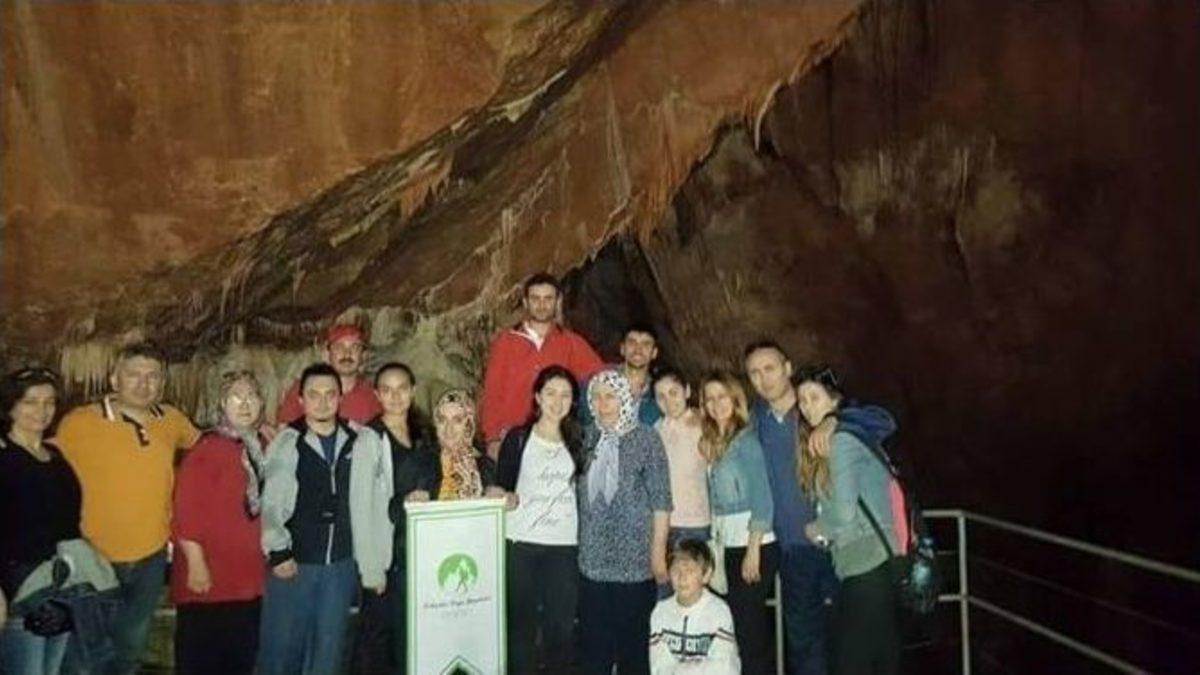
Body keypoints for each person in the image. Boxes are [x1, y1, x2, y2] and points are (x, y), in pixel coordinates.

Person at [743, 341, 894, 675]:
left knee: (849, 640)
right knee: (804, 644)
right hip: (794, 549)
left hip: (840, 544)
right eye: (754, 372)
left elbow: (883, 421)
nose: (763, 378)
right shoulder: (756, 420)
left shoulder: (813, 410)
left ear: (787, 368)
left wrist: (834, 419)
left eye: (769, 368)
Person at [56, 343, 200, 675]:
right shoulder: (80, 423)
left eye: (152, 376)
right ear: (114, 379)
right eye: (133, 375)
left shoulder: (171, 419)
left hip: (150, 556)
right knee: (84, 654)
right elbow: (45, 467)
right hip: (95, 556)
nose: (143, 384)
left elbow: (207, 448)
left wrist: (254, 435)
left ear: (162, 383)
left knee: (130, 648)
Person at [796, 367, 901, 675]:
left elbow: (843, 513)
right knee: (882, 655)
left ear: (834, 400)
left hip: (866, 559)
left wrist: (817, 530)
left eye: (814, 397)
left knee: (853, 660)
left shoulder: (841, 440)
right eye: (802, 400)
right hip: (875, 558)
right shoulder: (838, 437)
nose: (807, 406)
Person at [258, 364, 361, 675]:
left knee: (329, 649)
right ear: (301, 400)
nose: (323, 402)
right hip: (296, 562)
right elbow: (273, 500)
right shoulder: (289, 441)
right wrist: (279, 551)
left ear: (340, 398)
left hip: (340, 563)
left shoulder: (356, 439)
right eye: (314, 395)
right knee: (284, 648)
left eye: (330, 394)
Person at [170, 370, 268, 675]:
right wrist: (195, 561)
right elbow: (185, 508)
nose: (245, 403)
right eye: (236, 397)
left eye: (252, 396)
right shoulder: (207, 448)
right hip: (210, 575)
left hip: (246, 576)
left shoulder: (257, 447)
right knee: (203, 657)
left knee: (239, 658)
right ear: (222, 403)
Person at [577, 369, 672, 675]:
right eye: (596, 397)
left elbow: (661, 501)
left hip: (635, 561)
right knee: (594, 651)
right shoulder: (584, 438)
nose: (603, 403)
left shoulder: (646, 438)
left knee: (633, 651)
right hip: (593, 561)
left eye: (611, 396)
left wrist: (658, 553)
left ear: (625, 399)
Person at [350, 362, 438, 675]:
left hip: (422, 553)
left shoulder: (425, 434)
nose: (395, 396)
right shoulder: (370, 439)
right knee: (382, 644)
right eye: (387, 390)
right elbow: (360, 508)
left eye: (402, 389)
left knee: (415, 639)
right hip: (389, 557)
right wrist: (371, 570)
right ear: (377, 394)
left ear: (412, 391)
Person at [496, 366, 584, 674]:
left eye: (565, 395)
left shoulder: (580, 439)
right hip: (521, 543)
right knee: (520, 627)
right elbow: (501, 483)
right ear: (537, 396)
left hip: (564, 546)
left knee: (560, 628)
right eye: (550, 393)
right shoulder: (518, 438)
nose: (557, 402)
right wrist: (502, 495)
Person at [0, 368, 80, 675]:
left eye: (49, 402)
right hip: (18, 587)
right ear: (11, 406)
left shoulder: (56, 457)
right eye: (30, 402)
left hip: (60, 583)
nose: (41, 410)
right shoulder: (4, 459)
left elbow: (68, 524)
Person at [698, 372, 778, 675]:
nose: (716, 404)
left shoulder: (746, 442)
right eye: (709, 398)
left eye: (722, 396)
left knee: (749, 631)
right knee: (733, 629)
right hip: (726, 544)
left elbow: (762, 497)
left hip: (753, 543)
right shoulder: (713, 443)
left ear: (735, 399)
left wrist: (753, 550)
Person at [480, 273, 603, 456]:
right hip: (512, 436)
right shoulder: (506, 342)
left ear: (557, 302)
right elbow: (493, 390)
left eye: (548, 298)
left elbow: (600, 377)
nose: (541, 304)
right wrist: (492, 437)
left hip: (555, 438)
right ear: (526, 302)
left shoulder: (570, 342)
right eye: (535, 298)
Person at [649, 539, 740, 675]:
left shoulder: (719, 612)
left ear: (706, 575)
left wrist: (682, 671)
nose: (682, 577)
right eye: (676, 570)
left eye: (690, 570)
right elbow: (659, 666)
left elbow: (724, 666)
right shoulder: (660, 612)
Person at [276, 323, 382, 425]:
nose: (347, 353)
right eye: (339, 347)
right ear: (327, 354)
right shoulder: (304, 387)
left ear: (363, 355)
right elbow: (284, 430)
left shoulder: (375, 395)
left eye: (355, 347)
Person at [653, 368, 710, 548]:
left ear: (687, 391)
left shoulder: (703, 424)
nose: (668, 402)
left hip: (695, 523)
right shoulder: (656, 429)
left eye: (673, 393)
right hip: (662, 524)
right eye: (661, 397)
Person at [431, 389, 499, 499]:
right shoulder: (423, 462)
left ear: (469, 425)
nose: (449, 428)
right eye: (442, 420)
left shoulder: (486, 467)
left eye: (457, 420)